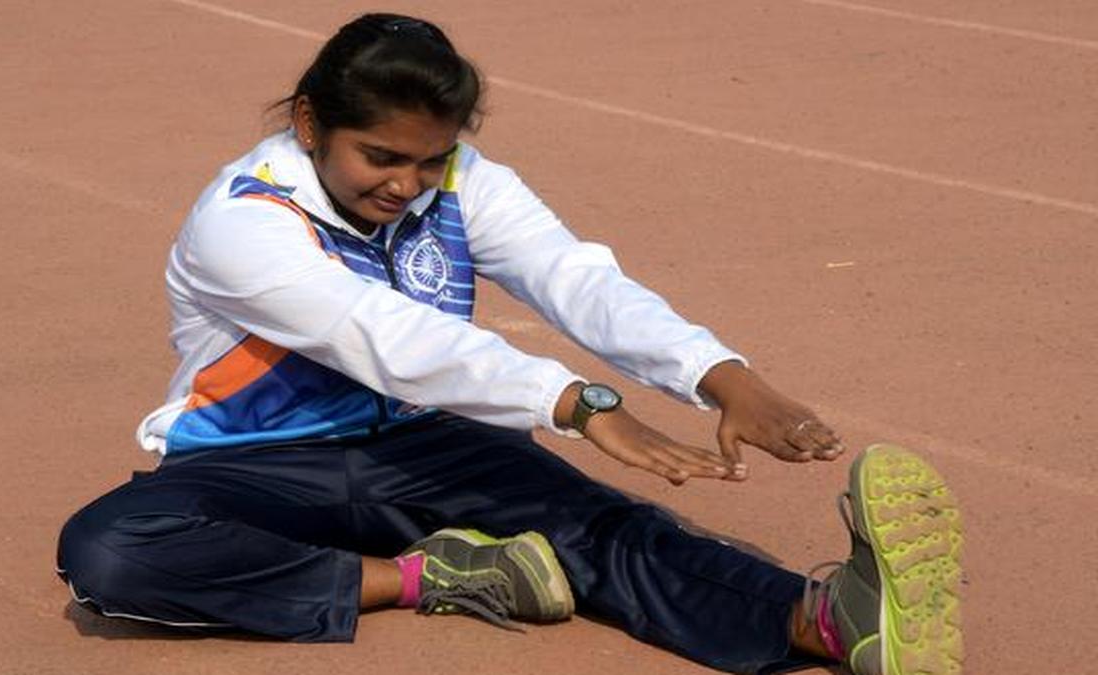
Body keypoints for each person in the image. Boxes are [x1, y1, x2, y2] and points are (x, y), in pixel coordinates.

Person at [56, 13, 964, 675]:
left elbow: (573, 277)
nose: (406, 184)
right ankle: (427, 576)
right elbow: (381, 336)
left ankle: (832, 621)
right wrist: (579, 404)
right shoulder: (242, 219)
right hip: (258, 463)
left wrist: (719, 374)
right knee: (112, 550)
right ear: (307, 124)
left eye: (429, 158)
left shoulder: (463, 179)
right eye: (380, 157)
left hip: (425, 443)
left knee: (601, 529)